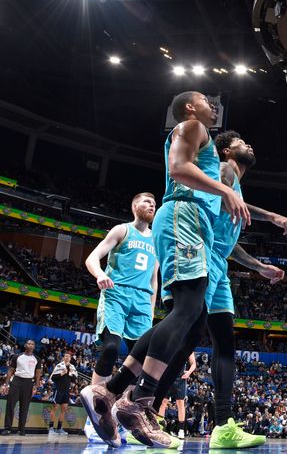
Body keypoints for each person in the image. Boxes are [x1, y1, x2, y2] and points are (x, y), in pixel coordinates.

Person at [81, 91, 249, 448]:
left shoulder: (201, 137)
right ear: (190, 108)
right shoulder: (190, 126)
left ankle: (111, 394)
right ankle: (136, 399)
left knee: (192, 321)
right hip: (181, 217)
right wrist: (225, 190)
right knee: (189, 310)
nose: (211, 104)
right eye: (206, 99)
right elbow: (178, 169)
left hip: (193, 224)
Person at [153, 130, 287, 448]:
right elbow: (218, 195)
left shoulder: (235, 184)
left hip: (219, 263)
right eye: (241, 143)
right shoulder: (224, 170)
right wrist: (271, 216)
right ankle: (149, 408)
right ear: (225, 150)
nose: (249, 144)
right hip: (200, 254)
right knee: (186, 335)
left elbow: (229, 244)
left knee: (224, 341)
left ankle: (223, 425)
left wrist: (259, 266)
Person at [82, 191, 158, 441]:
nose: (152, 205)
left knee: (140, 363)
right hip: (117, 293)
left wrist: (151, 307)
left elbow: (154, 278)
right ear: (134, 205)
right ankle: (95, 413)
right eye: (147, 201)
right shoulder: (122, 230)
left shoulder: (157, 240)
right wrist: (100, 274)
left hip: (142, 303)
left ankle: (126, 416)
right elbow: (92, 257)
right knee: (111, 349)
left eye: (154, 203)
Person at [2, 340, 41, 436]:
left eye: (32, 344)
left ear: (34, 346)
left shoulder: (37, 359)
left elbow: (38, 373)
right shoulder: (17, 356)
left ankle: (21, 429)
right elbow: (11, 370)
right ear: (25, 345)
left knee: (24, 407)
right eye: (29, 343)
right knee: (10, 405)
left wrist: (36, 386)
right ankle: (7, 428)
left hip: (28, 383)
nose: (30, 345)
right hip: (16, 381)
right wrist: (6, 384)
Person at [158, 354, 195, 439]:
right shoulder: (170, 342)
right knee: (163, 402)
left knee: (180, 403)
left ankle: (181, 430)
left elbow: (193, 364)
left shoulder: (188, 346)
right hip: (167, 377)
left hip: (181, 378)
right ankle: (161, 428)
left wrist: (189, 372)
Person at [48, 352, 77, 435]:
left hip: (66, 391)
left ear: (70, 358)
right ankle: (51, 428)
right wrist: (62, 373)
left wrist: (71, 374)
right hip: (58, 389)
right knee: (55, 408)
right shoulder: (59, 366)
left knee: (64, 409)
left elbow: (74, 380)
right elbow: (53, 377)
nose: (67, 357)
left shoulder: (72, 367)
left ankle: (59, 428)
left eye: (69, 356)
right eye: (66, 356)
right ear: (64, 357)